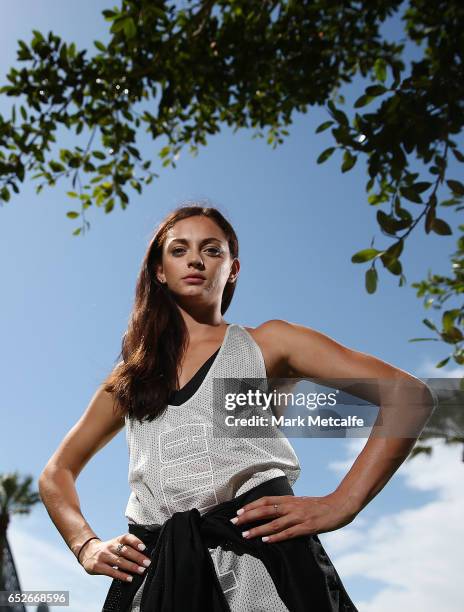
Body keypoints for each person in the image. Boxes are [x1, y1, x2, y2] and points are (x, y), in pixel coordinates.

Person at [38, 204, 436, 612]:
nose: (195, 259)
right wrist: (84, 544)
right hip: (156, 573)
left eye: (212, 250)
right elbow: (56, 473)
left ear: (233, 269)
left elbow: (408, 395)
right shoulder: (131, 378)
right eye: (179, 250)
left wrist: (342, 502)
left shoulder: (269, 344)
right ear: (159, 270)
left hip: (263, 564)